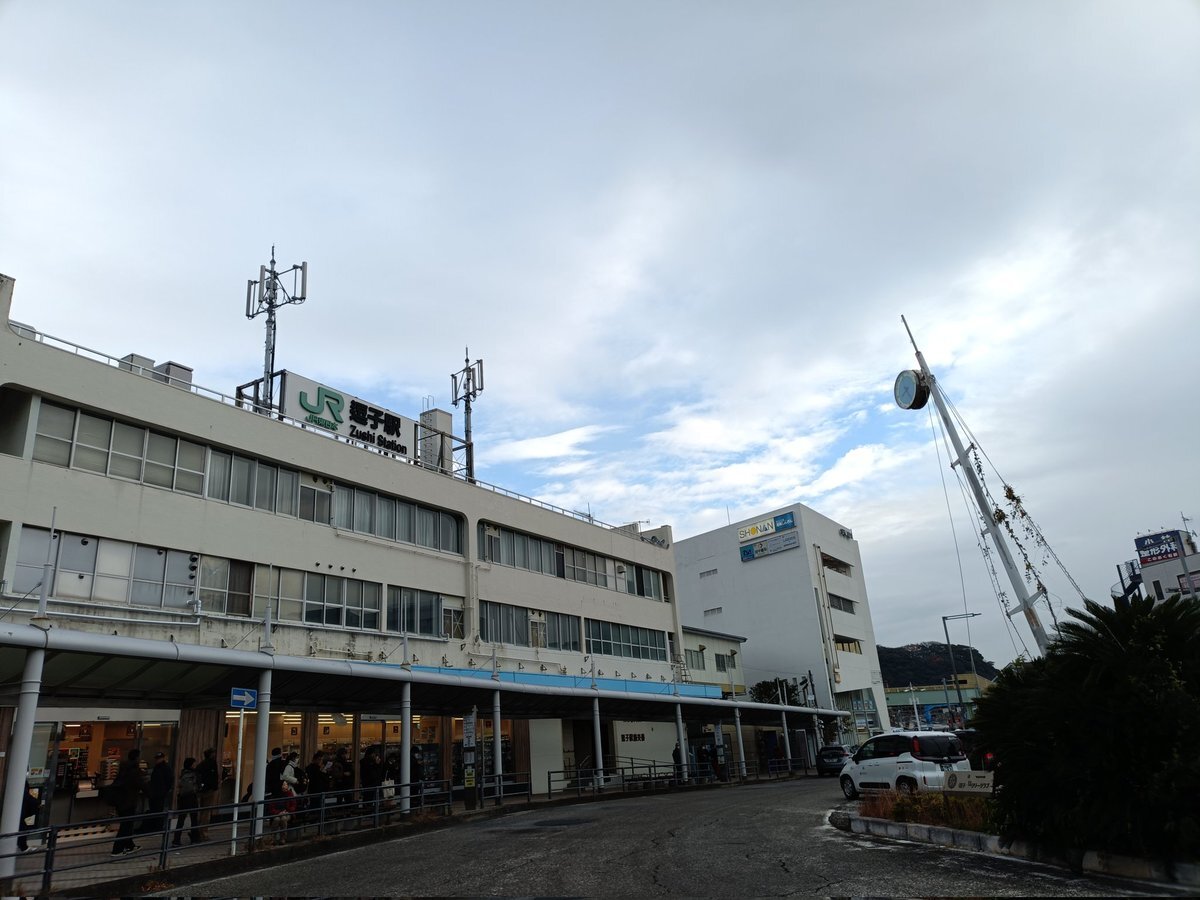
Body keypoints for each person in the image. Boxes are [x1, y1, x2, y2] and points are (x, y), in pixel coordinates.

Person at [110, 749, 146, 855]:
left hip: (120, 801)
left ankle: (130, 845)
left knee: (127, 825)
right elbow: (142, 785)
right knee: (126, 826)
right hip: (129, 802)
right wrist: (152, 793)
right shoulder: (134, 771)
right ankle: (117, 850)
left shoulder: (123, 769)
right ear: (137, 758)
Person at [172, 757, 202, 846]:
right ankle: (194, 838)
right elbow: (197, 786)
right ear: (191, 765)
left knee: (181, 819)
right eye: (194, 763)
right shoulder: (194, 774)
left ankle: (176, 840)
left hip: (182, 798)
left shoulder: (183, 773)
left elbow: (180, 786)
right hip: (192, 798)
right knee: (194, 819)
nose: (195, 765)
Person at [142, 751, 174, 835]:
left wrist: (164, 791)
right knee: (154, 810)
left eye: (159, 758)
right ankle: (153, 827)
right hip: (154, 793)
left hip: (160, 793)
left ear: (163, 758)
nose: (157, 760)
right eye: (157, 758)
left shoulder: (165, 768)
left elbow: (169, 781)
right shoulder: (157, 768)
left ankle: (157, 828)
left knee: (158, 810)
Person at [194, 747, 221, 840]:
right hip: (209, 790)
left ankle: (198, 831)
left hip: (201, 791)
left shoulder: (201, 765)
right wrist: (214, 786)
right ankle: (203, 833)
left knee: (201, 811)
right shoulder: (212, 764)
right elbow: (213, 778)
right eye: (213, 753)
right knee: (206, 812)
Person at [17, 783, 39, 853]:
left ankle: (21, 846)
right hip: (20, 812)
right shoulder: (21, 784)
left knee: (21, 828)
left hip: (19, 811)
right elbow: (27, 796)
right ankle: (23, 847)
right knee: (21, 828)